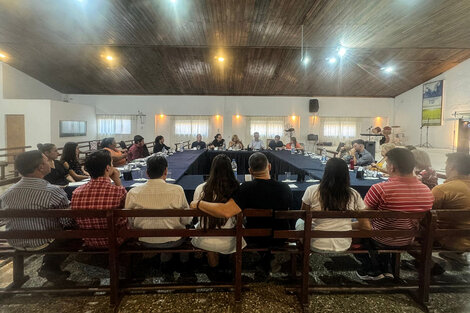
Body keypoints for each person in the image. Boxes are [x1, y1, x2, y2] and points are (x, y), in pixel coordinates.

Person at [191, 152, 293, 273]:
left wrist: (198, 203)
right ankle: (268, 260)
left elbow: (226, 211)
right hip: (280, 237)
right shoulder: (286, 188)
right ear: (269, 167)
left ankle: (221, 269)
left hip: (254, 237)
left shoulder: (246, 189)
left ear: (250, 171)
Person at [355, 148, 434, 280]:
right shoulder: (426, 191)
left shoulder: (380, 188)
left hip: (380, 239)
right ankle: (385, 267)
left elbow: (363, 214)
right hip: (409, 239)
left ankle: (371, 267)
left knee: (358, 226)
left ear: (392, 167)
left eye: (387, 164)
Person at [0, 150, 73, 282]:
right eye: (46, 161)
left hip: (15, 240)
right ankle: (50, 266)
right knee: (72, 233)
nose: (49, 164)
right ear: (41, 167)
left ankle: (44, 268)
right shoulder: (52, 192)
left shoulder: (7, 193)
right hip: (44, 242)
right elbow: (67, 221)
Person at [125, 155, 191, 275]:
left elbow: (130, 222)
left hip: (144, 239)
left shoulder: (133, 192)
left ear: (147, 173)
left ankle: (163, 264)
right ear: (166, 171)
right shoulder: (177, 190)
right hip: (174, 239)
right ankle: (181, 266)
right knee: (181, 229)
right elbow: (186, 220)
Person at [296, 158, 366, 252]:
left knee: (299, 222)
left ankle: (302, 256)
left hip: (316, 243)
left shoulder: (311, 190)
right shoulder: (354, 194)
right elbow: (365, 225)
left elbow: (303, 215)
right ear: (346, 175)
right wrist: (347, 225)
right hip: (343, 244)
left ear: (325, 173)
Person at [191, 155, 246, 267]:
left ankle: (213, 266)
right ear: (230, 170)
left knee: (202, 228)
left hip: (206, 238)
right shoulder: (237, 188)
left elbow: (197, 216)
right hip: (232, 239)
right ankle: (231, 265)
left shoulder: (201, 188)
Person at [71, 150, 127, 249]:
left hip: (89, 241)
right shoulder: (118, 191)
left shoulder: (76, 192)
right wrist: (117, 181)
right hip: (115, 240)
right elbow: (127, 212)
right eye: (111, 163)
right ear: (107, 168)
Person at [432, 153, 470, 262]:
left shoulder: (442, 189)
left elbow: (425, 215)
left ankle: (427, 261)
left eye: (446, 164)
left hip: (450, 240)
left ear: (452, 166)